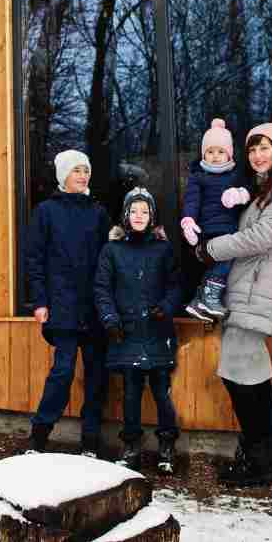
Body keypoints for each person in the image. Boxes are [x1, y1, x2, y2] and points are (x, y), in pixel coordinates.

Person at [196, 122, 272, 487]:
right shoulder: (266, 190)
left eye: (263, 148)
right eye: (251, 150)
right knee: (249, 379)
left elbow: (262, 236)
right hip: (247, 289)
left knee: (242, 379)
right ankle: (266, 460)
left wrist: (212, 248)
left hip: (257, 290)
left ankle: (260, 461)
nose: (256, 156)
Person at [24, 149, 112, 457]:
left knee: (96, 374)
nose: (83, 175)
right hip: (61, 305)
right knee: (62, 372)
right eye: (76, 170)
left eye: (86, 170)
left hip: (94, 308)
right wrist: (39, 301)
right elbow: (34, 259)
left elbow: (109, 258)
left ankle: (90, 441)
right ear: (63, 175)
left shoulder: (98, 212)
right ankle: (38, 437)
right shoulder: (47, 211)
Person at [93, 187, 184, 472]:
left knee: (161, 392)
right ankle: (131, 445)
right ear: (125, 215)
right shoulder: (112, 250)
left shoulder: (164, 249)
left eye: (144, 212)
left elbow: (176, 285)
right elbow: (102, 288)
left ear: (152, 216)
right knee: (131, 393)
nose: (139, 216)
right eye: (134, 211)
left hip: (157, 331)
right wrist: (110, 319)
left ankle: (167, 446)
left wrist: (167, 307)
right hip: (126, 332)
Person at [179, 119, 250, 321]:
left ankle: (198, 301)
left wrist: (239, 194)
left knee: (218, 264)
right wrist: (188, 222)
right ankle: (210, 296)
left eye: (220, 152)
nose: (215, 156)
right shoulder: (198, 177)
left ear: (229, 153)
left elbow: (249, 192)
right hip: (208, 230)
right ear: (203, 154)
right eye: (210, 152)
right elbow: (191, 201)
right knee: (225, 261)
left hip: (229, 228)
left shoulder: (236, 175)